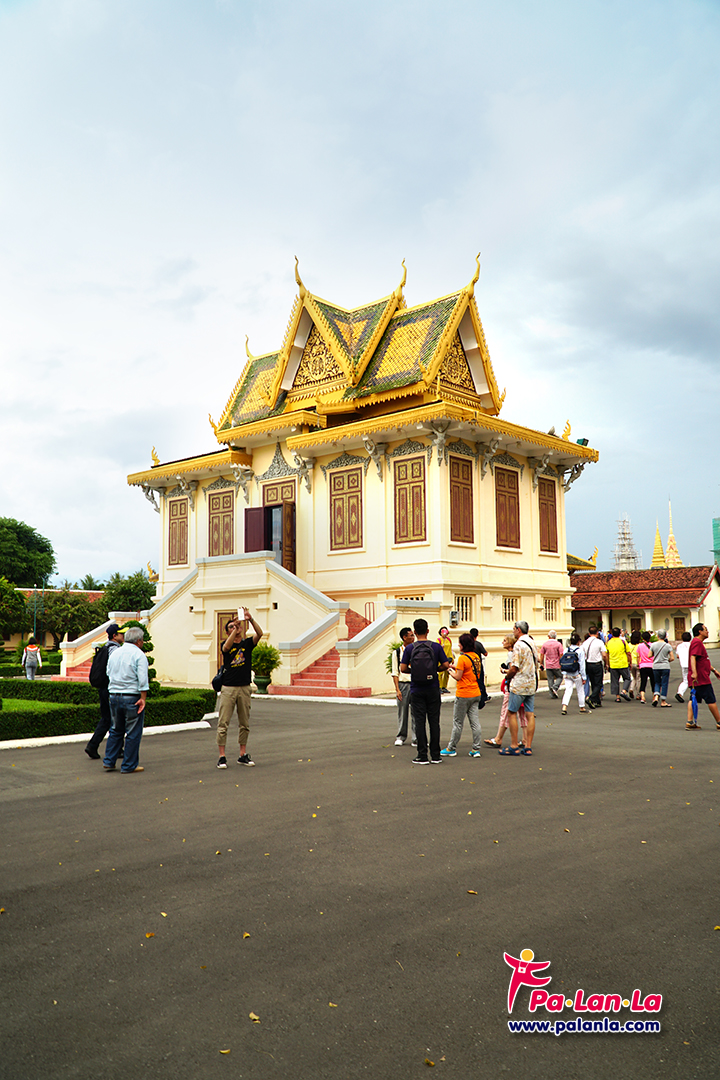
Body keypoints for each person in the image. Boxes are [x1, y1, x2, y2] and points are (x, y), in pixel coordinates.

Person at [216, 609, 263, 768]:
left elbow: (260, 633)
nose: (235, 627)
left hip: (244, 688)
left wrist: (250, 619)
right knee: (223, 723)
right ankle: (222, 756)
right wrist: (234, 629)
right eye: (230, 627)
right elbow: (226, 648)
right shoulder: (225, 644)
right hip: (229, 688)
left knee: (244, 723)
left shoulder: (247, 644)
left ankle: (242, 754)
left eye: (236, 626)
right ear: (228, 631)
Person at [400, 618, 450, 765]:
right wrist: (434, 670)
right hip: (433, 688)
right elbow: (446, 665)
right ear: (428, 631)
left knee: (419, 722)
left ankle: (422, 755)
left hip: (416, 689)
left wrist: (414, 672)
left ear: (414, 632)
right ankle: (435, 755)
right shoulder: (435, 647)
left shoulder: (410, 648)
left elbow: (402, 668)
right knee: (434, 722)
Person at [102, 627, 149, 774]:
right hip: (131, 696)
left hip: (114, 695)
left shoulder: (115, 653)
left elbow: (108, 672)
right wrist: (143, 698)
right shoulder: (139, 655)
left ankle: (109, 761)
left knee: (115, 729)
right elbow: (143, 680)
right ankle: (129, 765)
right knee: (133, 732)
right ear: (139, 641)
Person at [441, 632, 487, 758]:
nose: (458, 645)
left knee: (458, 722)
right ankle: (476, 749)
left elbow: (458, 676)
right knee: (475, 722)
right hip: (476, 692)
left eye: (460, 643)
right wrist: (455, 666)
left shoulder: (462, 658)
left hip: (463, 694)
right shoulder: (475, 657)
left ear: (463, 645)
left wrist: (450, 670)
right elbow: (468, 670)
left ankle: (451, 747)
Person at [85, 623, 125, 759]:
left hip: (103, 688)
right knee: (115, 719)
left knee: (108, 718)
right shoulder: (115, 650)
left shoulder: (104, 648)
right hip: (110, 688)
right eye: (121, 634)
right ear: (114, 636)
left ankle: (96, 746)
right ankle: (98, 746)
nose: (123, 636)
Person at [499, 621, 538, 756]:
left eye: (514, 629)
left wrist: (507, 675)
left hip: (519, 683)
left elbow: (514, 667)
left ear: (518, 630)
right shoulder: (532, 642)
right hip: (531, 682)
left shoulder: (518, 645)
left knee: (511, 712)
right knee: (529, 713)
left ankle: (514, 745)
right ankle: (528, 746)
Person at [485, 635, 527, 748]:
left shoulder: (510, 654)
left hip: (512, 686)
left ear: (510, 643)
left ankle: (498, 738)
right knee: (523, 713)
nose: (502, 642)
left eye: (505, 641)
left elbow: (512, 669)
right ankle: (525, 739)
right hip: (523, 686)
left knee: (505, 713)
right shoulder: (519, 651)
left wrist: (504, 671)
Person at [686, 623, 720, 731]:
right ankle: (719, 722)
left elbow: (703, 660)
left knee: (693, 698)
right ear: (700, 631)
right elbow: (693, 657)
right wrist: (694, 673)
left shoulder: (698, 643)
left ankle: (690, 722)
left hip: (699, 676)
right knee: (710, 699)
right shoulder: (696, 642)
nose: (707, 632)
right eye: (705, 629)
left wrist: (713, 670)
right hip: (700, 678)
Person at [391, 626, 416, 746]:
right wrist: (397, 689)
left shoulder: (416, 649)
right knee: (402, 711)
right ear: (404, 637)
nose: (413, 638)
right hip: (403, 684)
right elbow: (395, 672)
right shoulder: (397, 653)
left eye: (413, 635)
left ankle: (416, 738)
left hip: (416, 683)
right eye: (411, 636)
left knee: (416, 711)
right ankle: (401, 736)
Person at [581, 624, 607, 709]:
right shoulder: (599, 642)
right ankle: (591, 698)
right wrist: (606, 663)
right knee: (598, 684)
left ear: (589, 633)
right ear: (597, 633)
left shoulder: (585, 643)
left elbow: (582, 654)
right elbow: (604, 654)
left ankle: (597, 701)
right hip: (597, 664)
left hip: (588, 664)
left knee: (593, 683)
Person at [560, 633, 587, 714]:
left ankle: (564, 707)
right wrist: (584, 677)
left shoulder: (566, 650)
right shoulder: (580, 651)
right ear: (578, 641)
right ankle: (582, 707)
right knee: (580, 690)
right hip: (576, 674)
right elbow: (582, 665)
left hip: (567, 673)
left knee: (568, 690)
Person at [650, 629, 675, 708]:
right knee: (664, 683)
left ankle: (656, 695)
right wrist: (667, 660)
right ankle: (663, 701)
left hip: (656, 666)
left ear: (657, 636)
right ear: (665, 636)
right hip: (665, 666)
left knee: (657, 682)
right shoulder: (667, 646)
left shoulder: (653, 645)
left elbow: (649, 655)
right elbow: (672, 658)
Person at [607, 627, 632, 702]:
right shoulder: (623, 642)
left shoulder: (608, 643)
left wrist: (607, 664)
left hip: (613, 664)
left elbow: (607, 654)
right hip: (623, 663)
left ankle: (617, 697)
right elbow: (628, 653)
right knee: (627, 678)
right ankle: (624, 691)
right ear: (620, 634)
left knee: (615, 681)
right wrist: (630, 662)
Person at [539, 630, 563, 698]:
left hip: (548, 665)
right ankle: (555, 687)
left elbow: (542, 655)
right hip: (556, 664)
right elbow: (561, 654)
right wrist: (561, 663)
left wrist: (541, 663)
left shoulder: (545, 644)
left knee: (550, 679)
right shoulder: (558, 644)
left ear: (549, 636)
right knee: (560, 677)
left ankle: (552, 694)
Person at [637, 631, 654, 704]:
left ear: (642, 638)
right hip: (652, 665)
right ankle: (654, 696)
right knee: (653, 682)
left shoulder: (640, 646)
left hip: (643, 665)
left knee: (643, 681)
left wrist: (638, 664)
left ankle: (643, 697)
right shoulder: (653, 645)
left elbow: (638, 656)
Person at [675, 631, 692, 703]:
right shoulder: (692, 645)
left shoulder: (679, 646)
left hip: (683, 664)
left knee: (685, 680)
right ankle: (694, 694)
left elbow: (677, 656)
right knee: (694, 679)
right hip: (692, 664)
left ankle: (680, 693)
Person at [437, 627, 453, 693]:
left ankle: (444, 686)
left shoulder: (449, 640)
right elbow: (437, 648)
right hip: (441, 658)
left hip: (448, 658)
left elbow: (450, 649)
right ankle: (439, 687)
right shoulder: (439, 640)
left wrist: (452, 658)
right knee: (440, 673)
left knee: (447, 673)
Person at [628, 630, 642, 698]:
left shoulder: (629, 645)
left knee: (634, 678)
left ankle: (631, 689)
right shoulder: (639, 646)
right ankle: (638, 694)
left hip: (631, 663)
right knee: (639, 679)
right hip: (637, 663)